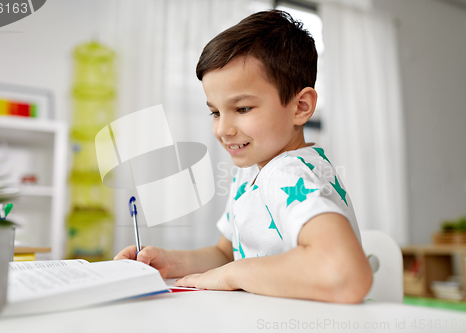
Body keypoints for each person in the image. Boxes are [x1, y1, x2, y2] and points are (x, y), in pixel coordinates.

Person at [115, 9, 373, 303]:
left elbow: (347, 273)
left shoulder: (288, 173)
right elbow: (226, 253)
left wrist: (233, 274)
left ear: (300, 107)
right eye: (215, 112)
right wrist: (167, 261)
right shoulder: (251, 171)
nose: (222, 129)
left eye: (242, 109)